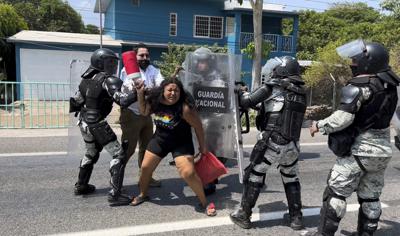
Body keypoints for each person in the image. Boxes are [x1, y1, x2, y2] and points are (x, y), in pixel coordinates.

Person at [308, 40, 400, 236]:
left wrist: (319, 125)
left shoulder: (359, 86)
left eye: (354, 60)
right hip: (383, 152)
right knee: (370, 197)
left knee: (335, 193)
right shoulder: (392, 88)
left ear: (367, 61)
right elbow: (396, 119)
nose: (352, 63)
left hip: (359, 151)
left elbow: (343, 118)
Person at [230, 56, 307, 230]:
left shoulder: (272, 87)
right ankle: (296, 218)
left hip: (272, 142)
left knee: (254, 174)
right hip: (293, 145)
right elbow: (277, 108)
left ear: (281, 71)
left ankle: (243, 214)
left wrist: (241, 90)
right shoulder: (301, 92)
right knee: (291, 178)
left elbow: (246, 101)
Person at [130, 76, 217, 217]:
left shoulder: (185, 109)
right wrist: (140, 94)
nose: (173, 93)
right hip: (160, 140)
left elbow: (198, 127)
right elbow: (144, 112)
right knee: (145, 168)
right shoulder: (156, 102)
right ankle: (143, 194)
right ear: (163, 91)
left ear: (180, 92)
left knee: (188, 173)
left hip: (181, 142)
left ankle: (204, 203)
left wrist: (203, 147)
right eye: (169, 90)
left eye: (176, 91)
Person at [70, 48, 138, 206]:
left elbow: (76, 102)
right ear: (100, 62)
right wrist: (137, 91)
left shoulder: (85, 79)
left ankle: (81, 185)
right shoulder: (108, 80)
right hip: (97, 122)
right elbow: (122, 100)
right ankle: (115, 194)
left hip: (83, 121)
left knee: (92, 152)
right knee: (119, 154)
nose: (113, 66)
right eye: (110, 62)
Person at [120, 43, 163, 187]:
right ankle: (117, 180)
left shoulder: (154, 70)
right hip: (131, 114)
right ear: (135, 57)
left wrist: (147, 90)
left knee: (147, 149)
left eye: (147, 55)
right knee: (128, 150)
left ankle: (145, 178)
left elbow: (161, 86)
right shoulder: (127, 71)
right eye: (141, 55)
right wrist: (147, 90)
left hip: (146, 114)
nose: (145, 58)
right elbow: (130, 89)